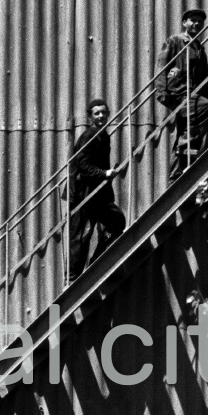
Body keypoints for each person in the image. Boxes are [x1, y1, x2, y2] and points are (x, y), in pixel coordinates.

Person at [154, 6, 208, 182]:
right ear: (185, 23)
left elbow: (205, 76)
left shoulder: (199, 48)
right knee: (206, 108)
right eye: (193, 20)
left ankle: (175, 175)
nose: (197, 24)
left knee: (184, 131)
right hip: (177, 92)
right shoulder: (175, 41)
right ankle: (186, 148)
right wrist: (161, 90)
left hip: (191, 95)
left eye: (200, 21)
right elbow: (161, 67)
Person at [68, 98, 125, 280]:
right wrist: (106, 173)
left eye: (103, 112)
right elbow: (83, 167)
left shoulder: (104, 136)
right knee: (81, 240)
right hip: (83, 197)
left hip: (98, 196)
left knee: (116, 221)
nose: (101, 116)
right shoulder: (88, 136)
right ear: (90, 117)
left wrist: (108, 181)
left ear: (108, 114)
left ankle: (96, 263)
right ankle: (71, 281)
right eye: (96, 113)